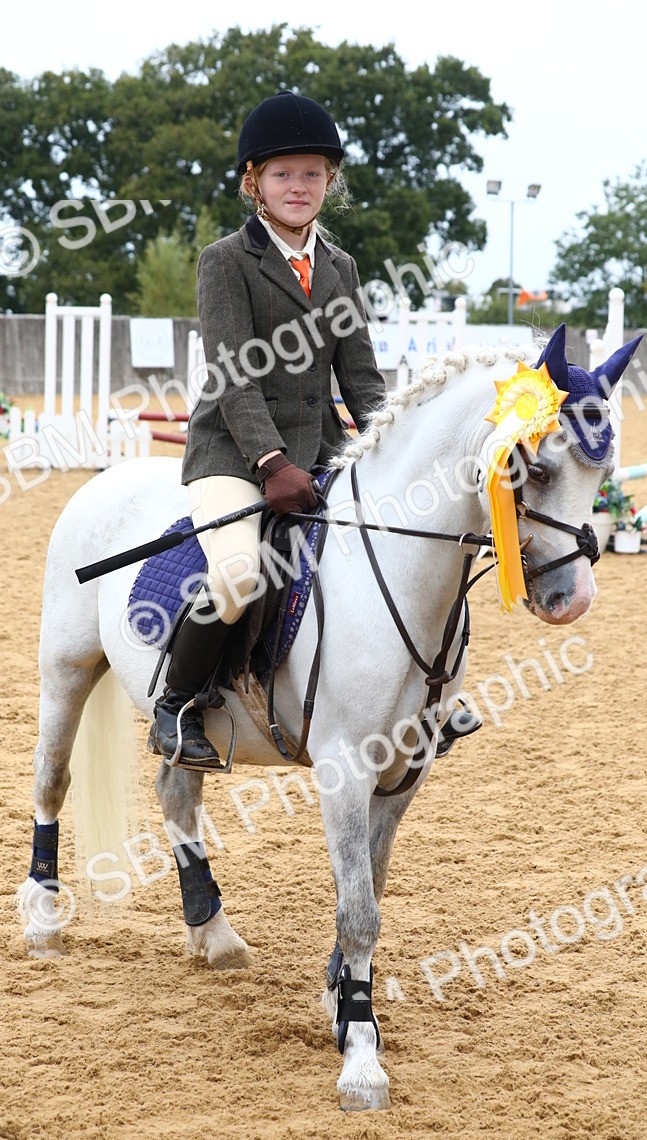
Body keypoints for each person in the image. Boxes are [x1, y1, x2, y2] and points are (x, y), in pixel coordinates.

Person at [151, 90, 480, 769]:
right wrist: (271, 462)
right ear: (254, 183)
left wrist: (398, 447)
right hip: (233, 453)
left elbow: (361, 378)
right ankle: (179, 702)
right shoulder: (226, 261)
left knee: (413, 543)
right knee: (241, 572)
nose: (297, 186)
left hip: (322, 450)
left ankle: (426, 697)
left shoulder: (340, 267)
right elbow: (234, 373)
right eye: (281, 174)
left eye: (311, 173)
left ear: (329, 180)